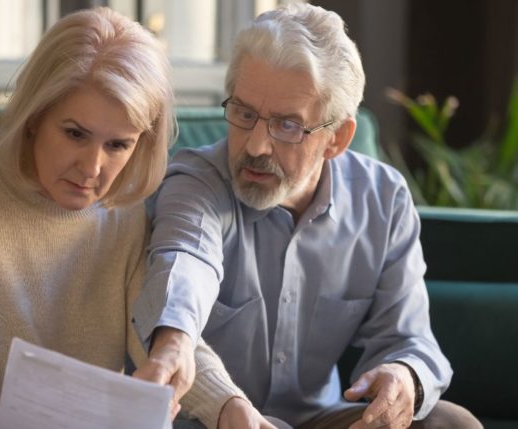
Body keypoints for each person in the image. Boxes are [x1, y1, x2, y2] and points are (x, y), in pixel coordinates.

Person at [0, 7, 244, 428]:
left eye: (118, 145)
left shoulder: (123, 212)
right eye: (75, 134)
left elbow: (159, 338)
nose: (92, 168)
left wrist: (229, 404)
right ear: (34, 117)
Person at [134, 4, 483, 429]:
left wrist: (403, 375)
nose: (257, 145)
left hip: (324, 420)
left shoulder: (384, 199)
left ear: (337, 138)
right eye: (244, 114)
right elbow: (185, 261)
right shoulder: (196, 181)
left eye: (287, 125)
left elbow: (407, 337)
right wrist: (174, 343)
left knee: (451, 423)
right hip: (213, 420)